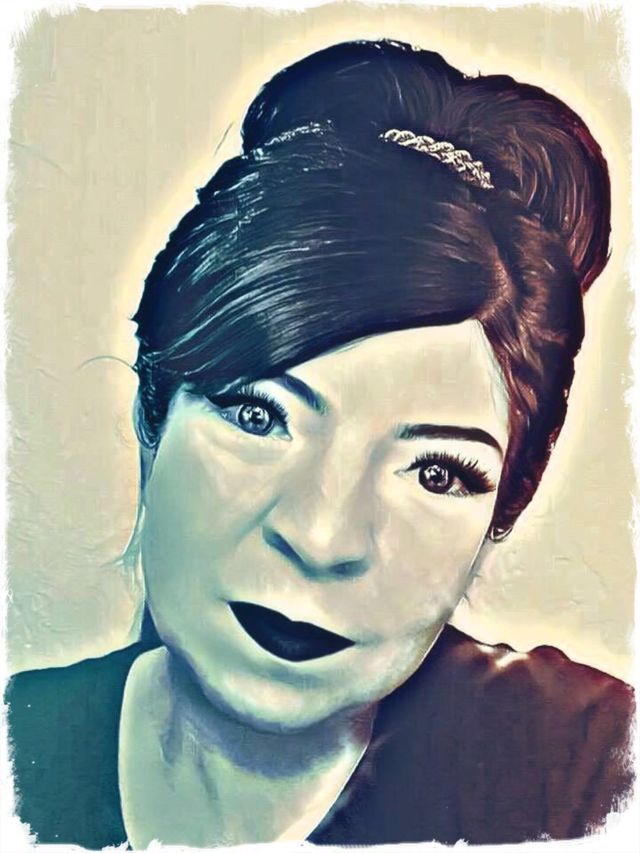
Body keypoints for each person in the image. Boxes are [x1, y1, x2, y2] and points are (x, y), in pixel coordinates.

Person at [6, 38, 634, 848]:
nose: (322, 537)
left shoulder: (589, 774)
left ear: (499, 515)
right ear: (152, 416)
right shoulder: (21, 749)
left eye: (436, 472)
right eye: (258, 415)